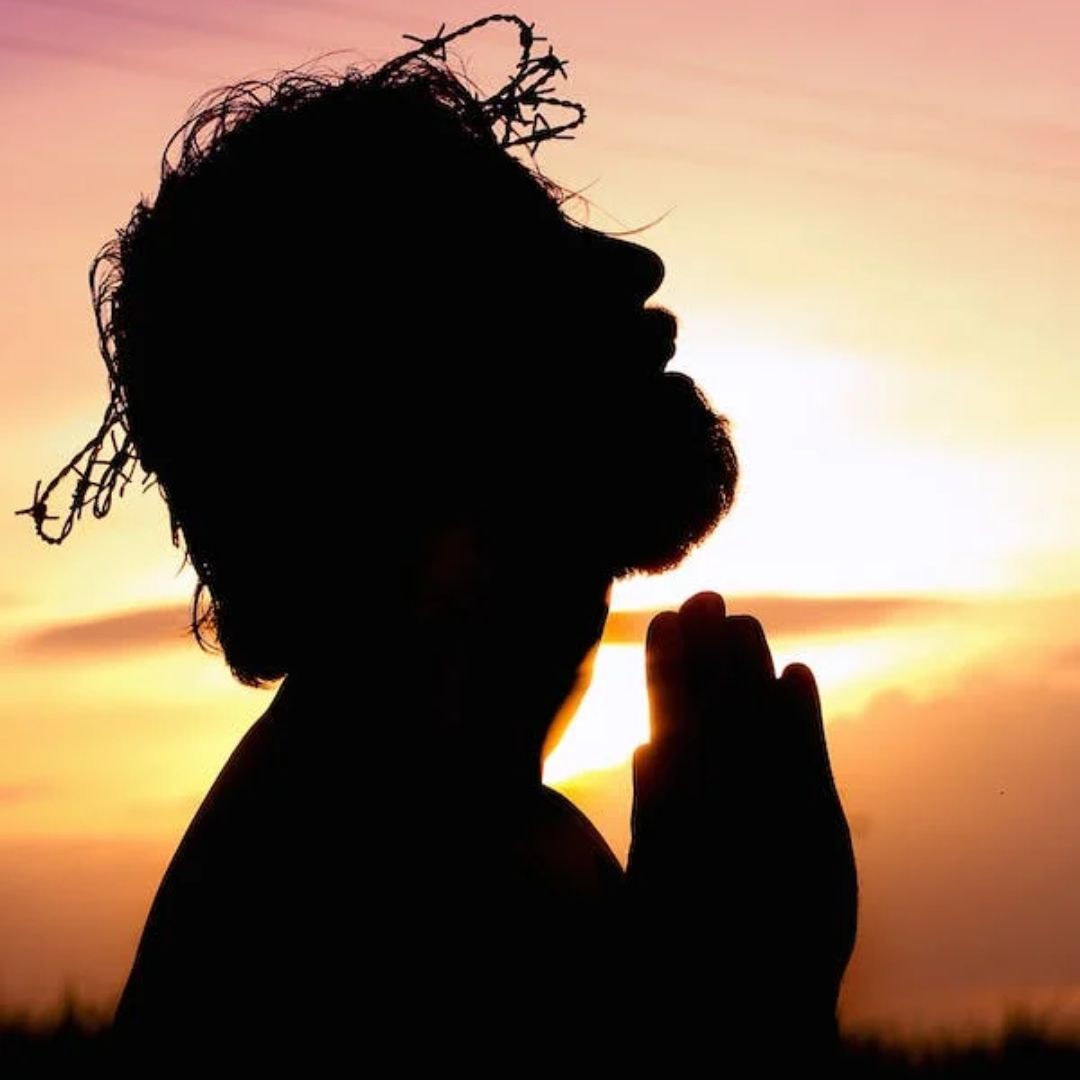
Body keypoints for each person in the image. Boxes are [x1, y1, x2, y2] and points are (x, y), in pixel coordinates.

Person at [20, 16, 856, 1068]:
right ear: (389, 406)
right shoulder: (373, 910)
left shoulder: (433, 830)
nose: (631, 269)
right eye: (520, 263)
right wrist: (751, 996)